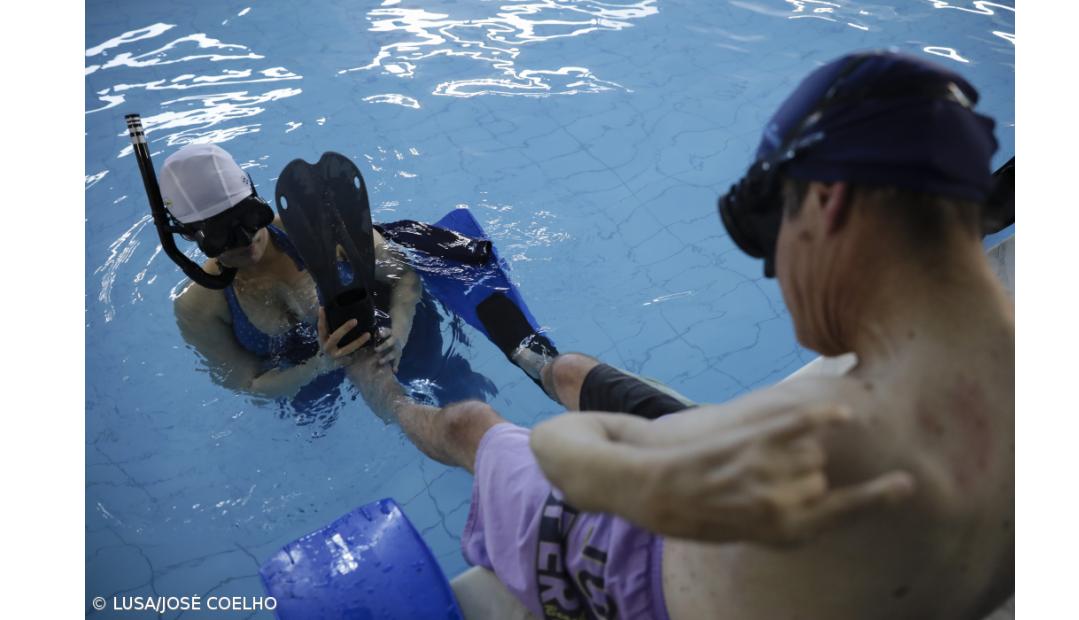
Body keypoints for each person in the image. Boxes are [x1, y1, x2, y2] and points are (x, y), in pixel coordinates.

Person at [339, 49, 1014, 620]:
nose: (774, 268)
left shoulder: (828, 442)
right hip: (751, 512)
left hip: (645, 572)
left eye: (763, 232)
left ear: (828, 204)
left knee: (474, 426)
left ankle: (381, 387)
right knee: (573, 374)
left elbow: (561, 451)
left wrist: (654, 470)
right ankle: (536, 358)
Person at [164, 144, 495, 424]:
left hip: (386, 328)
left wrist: (400, 331)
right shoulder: (201, 306)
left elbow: (405, 276)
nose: (247, 238)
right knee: (312, 415)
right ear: (190, 236)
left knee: (446, 384)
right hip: (302, 374)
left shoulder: (317, 226)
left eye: (250, 216)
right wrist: (321, 365)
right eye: (224, 234)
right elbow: (248, 384)